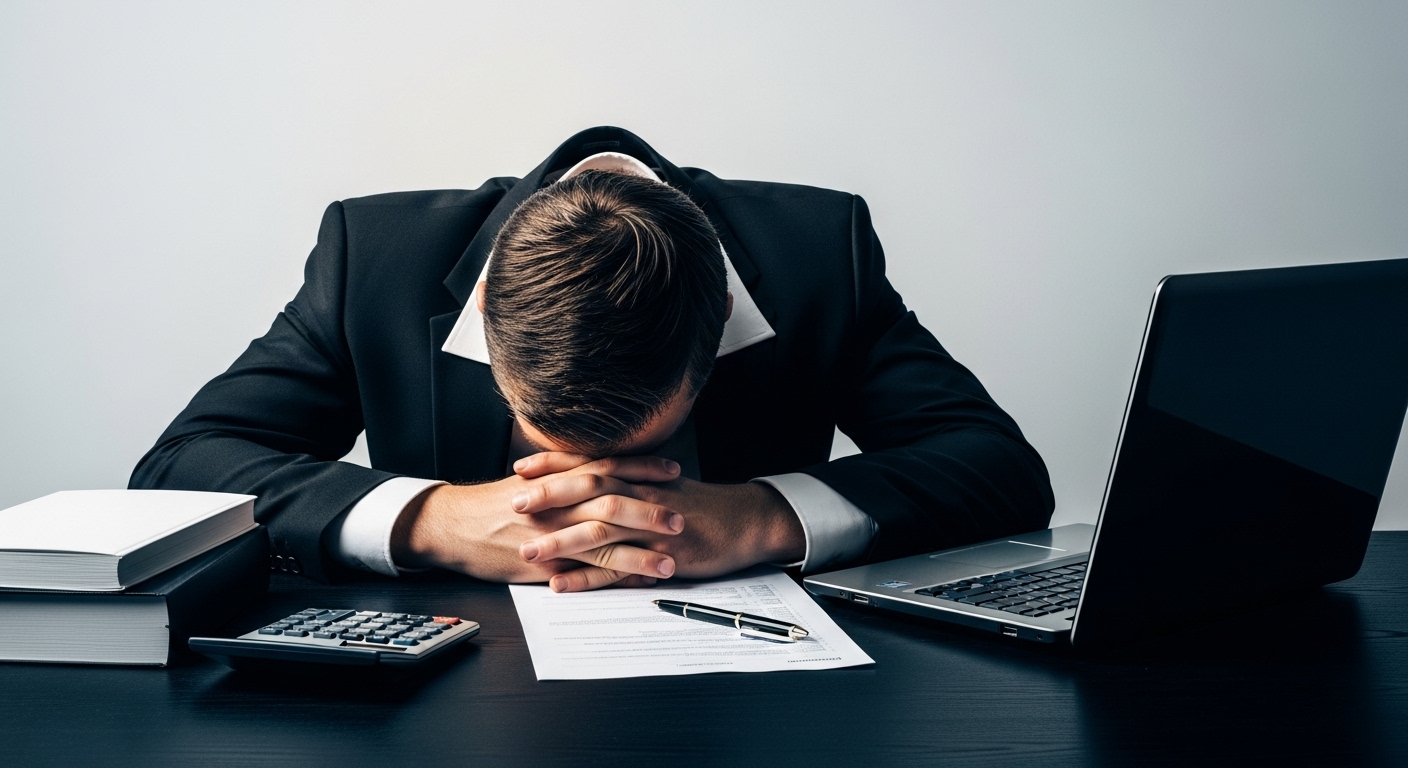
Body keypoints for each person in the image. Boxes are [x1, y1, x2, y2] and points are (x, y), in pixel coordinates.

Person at [131, 126, 1055, 592]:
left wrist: (768, 518)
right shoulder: (376, 260)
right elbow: (178, 469)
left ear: (723, 315)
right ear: (485, 310)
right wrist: (432, 519)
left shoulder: (821, 255)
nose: (595, 490)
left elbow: (998, 467)